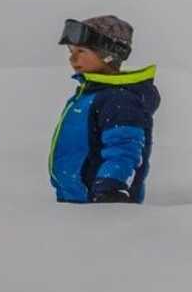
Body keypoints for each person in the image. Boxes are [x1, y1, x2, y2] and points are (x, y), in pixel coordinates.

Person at [51, 15, 158, 203]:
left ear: (109, 55)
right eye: (71, 50)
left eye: (81, 51)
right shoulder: (89, 95)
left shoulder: (119, 99)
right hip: (79, 204)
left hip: (105, 206)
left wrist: (111, 187)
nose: (72, 58)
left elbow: (125, 148)